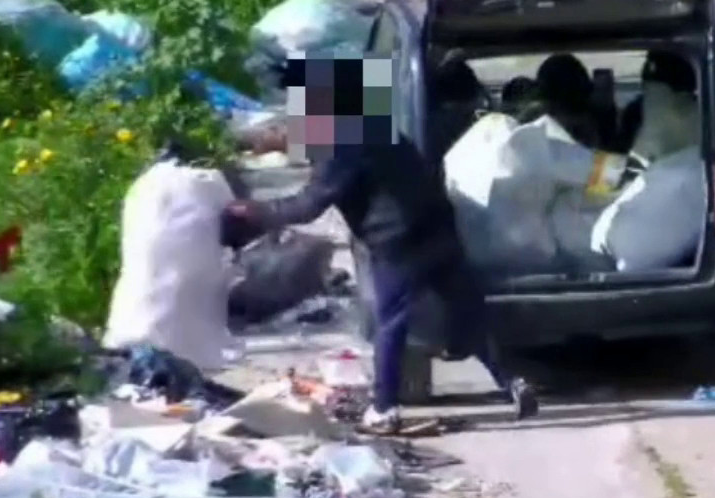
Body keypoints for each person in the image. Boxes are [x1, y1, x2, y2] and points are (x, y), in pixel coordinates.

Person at [226, 54, 538, 435]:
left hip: (397, 239)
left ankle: (384, 408)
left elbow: (309, 205)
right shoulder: (373, 124)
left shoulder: (338, 141)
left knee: (391, 322)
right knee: (465, 312)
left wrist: (256, 211)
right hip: (438, 226)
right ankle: (513, 383)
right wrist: (280, 141)